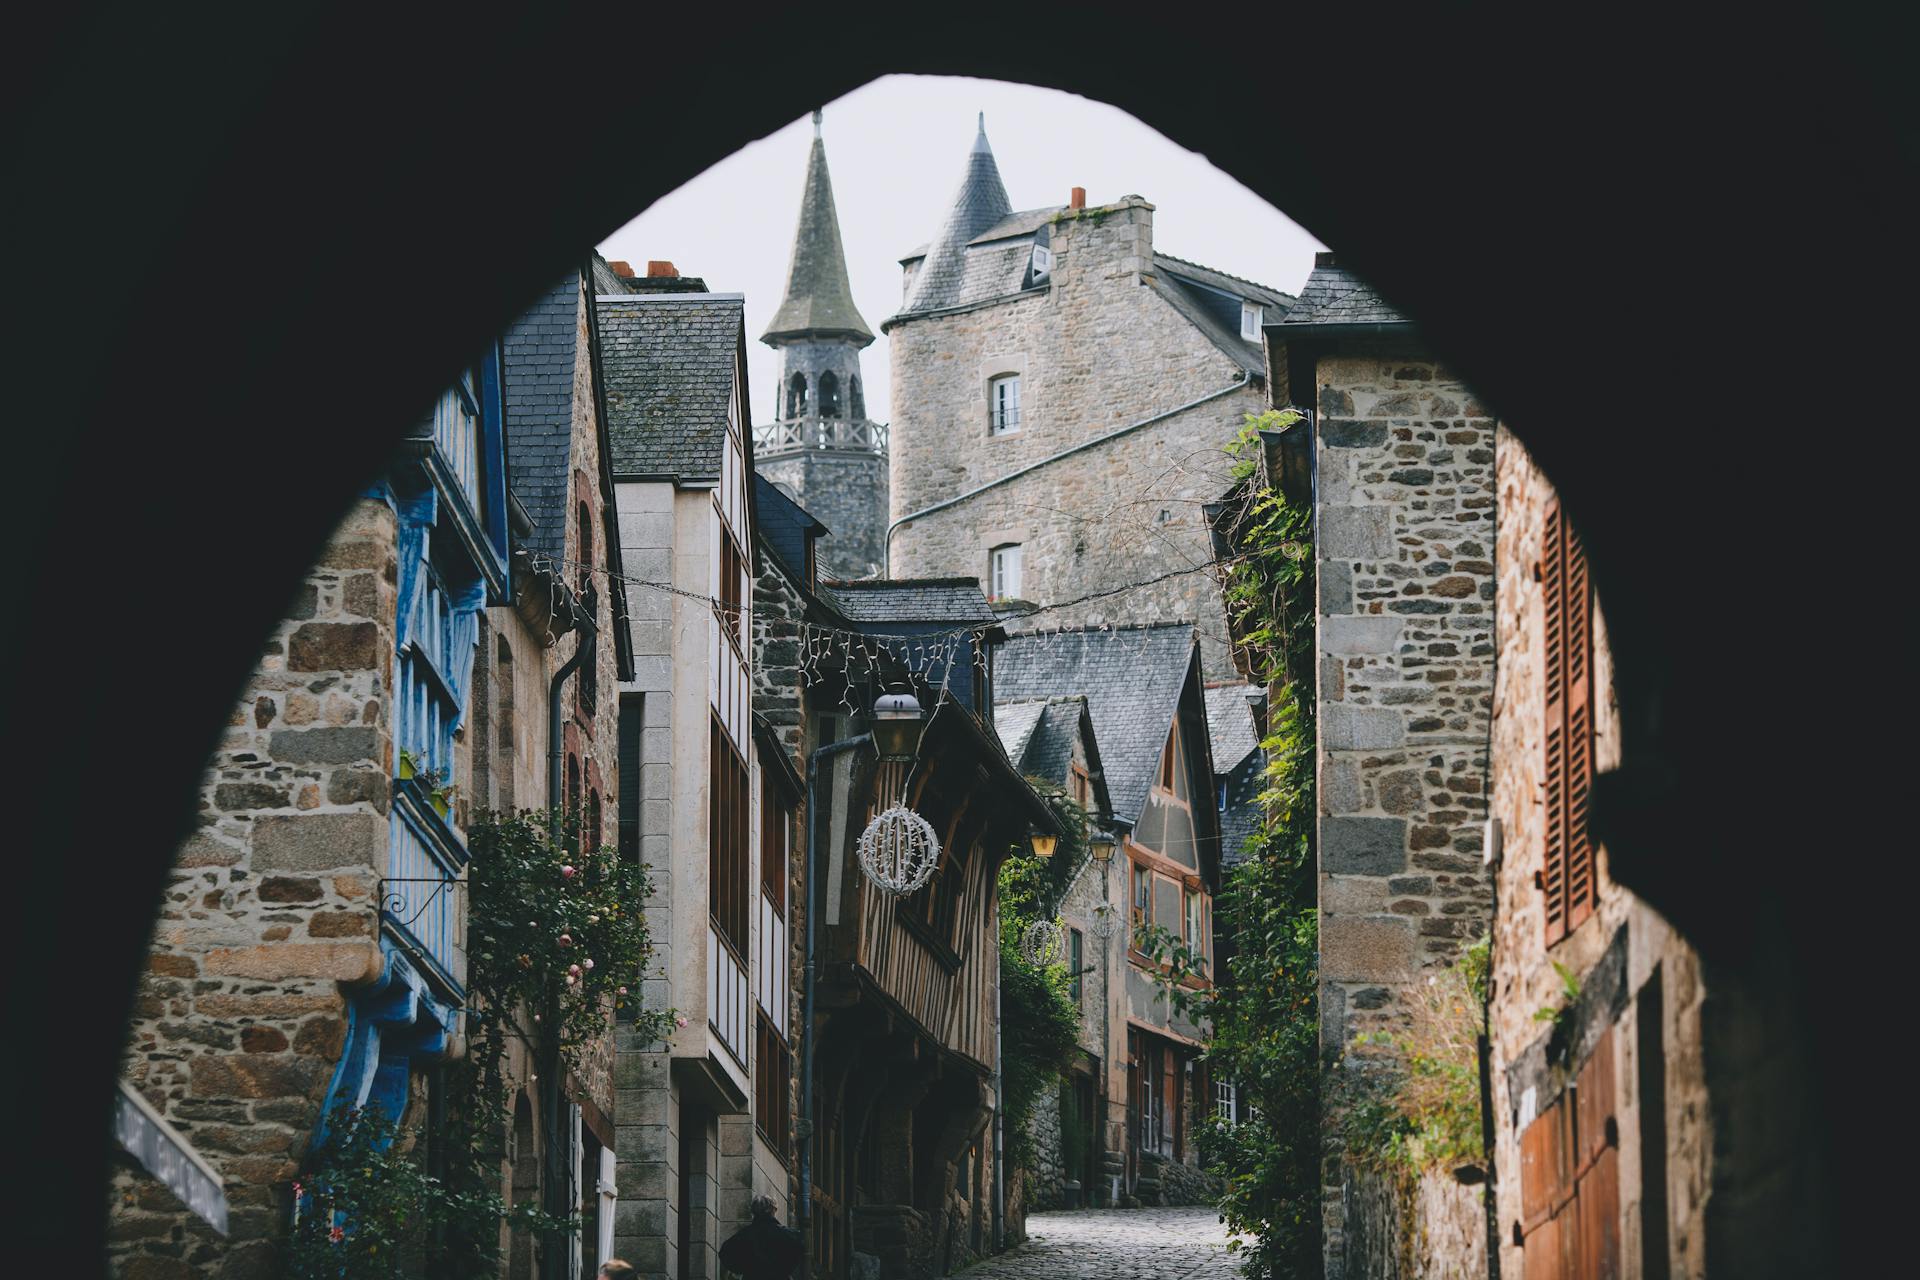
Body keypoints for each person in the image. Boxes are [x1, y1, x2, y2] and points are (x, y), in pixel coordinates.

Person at [717, 1194, 804, 1280]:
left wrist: (743, 1269)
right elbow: (799, 1248)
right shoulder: (787, 1235)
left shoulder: (745, 1234)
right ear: (772, 1210)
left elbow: (725, 1253)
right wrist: (784, 1269)